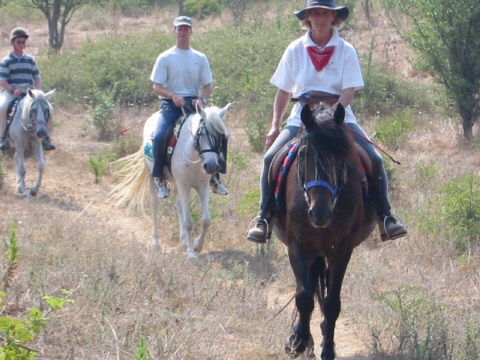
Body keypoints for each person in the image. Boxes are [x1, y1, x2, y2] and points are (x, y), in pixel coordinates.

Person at [246, 0, 407, 243]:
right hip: (303, 115)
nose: (320, 18)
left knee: (374, 158)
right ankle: (264, 218)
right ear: (308, 17)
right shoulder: (294, 49)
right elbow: (283, 91)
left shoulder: (346, 49)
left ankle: (386, 216)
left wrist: (333, 114)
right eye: (315, 13)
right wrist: (274, 125)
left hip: (339, 115)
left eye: (325, 13)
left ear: (333, 17)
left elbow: (349, 90)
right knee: (270, 158)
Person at [149, 16, 228, 198]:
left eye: (186, 29)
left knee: (219, 133)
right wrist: (173, 95)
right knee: (160, 135)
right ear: (174, 31)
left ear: (191, 32)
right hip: (171, 105)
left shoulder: (199, 58)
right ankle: (159, 176)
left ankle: (215, 177)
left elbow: (208, 86)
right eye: (180, 29)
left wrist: (202, 99)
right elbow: (156, 86)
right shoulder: (165, 57)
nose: (183, 32)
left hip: (194, 106)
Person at [0, 27, 55, 151]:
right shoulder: (6, 61)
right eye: (19, 41)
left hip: (29, 92)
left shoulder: (30, 60)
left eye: (23, 42)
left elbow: (37, 78)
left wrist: (39, 92)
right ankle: (3, 138)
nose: (21, 44)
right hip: (12, 92)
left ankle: (46, 138)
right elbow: (2, 81)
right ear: (13, 42)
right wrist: (13, 90)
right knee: (2, 107)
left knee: (49, 108)